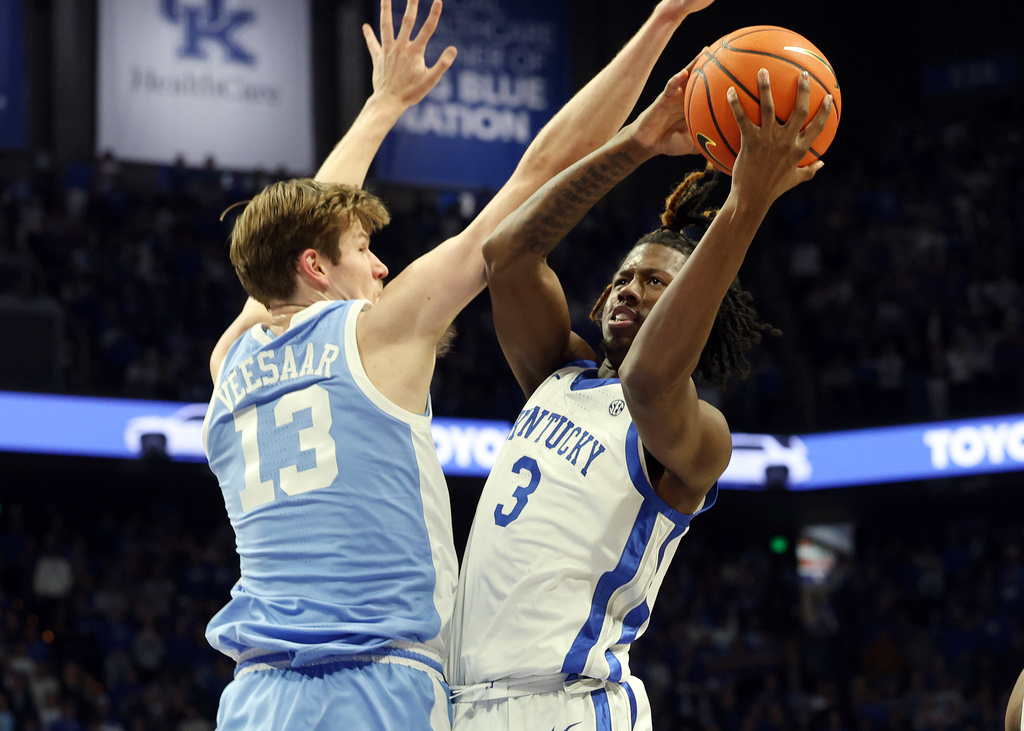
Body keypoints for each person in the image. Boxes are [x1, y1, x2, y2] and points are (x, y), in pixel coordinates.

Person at [201, 0, 718, 728]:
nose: (381, 268)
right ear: (317, 268)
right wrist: (654, 46)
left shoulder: (232, 358)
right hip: (377, 688)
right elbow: (536, 178)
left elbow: (290, 247)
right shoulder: (378, 333)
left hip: (253, 697)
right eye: (364, 252)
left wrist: (383, 107)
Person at [446, 68, 833, 729]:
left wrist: (745, 205)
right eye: (624, 277)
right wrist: (639, 142)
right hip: (461, 702)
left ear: (693, 307)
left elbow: (649, 378)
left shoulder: (699, 434)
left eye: (658, 283)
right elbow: (507, 254)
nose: (630, 290)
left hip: (568, 704)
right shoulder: (557, 372)